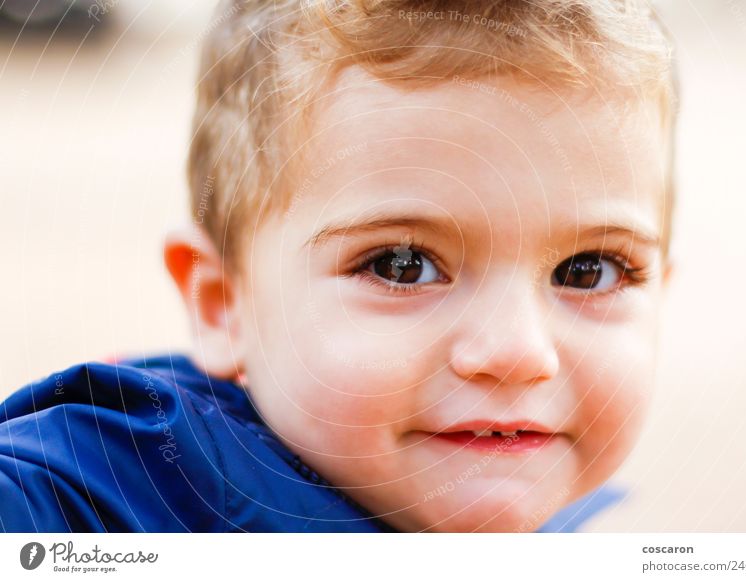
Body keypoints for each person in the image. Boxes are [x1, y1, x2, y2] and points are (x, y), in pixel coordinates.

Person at [0, 0, 677, 532]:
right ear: (222, 303)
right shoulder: (110, 495)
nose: (517, 352)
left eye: (591, 270)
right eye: (403, 265)